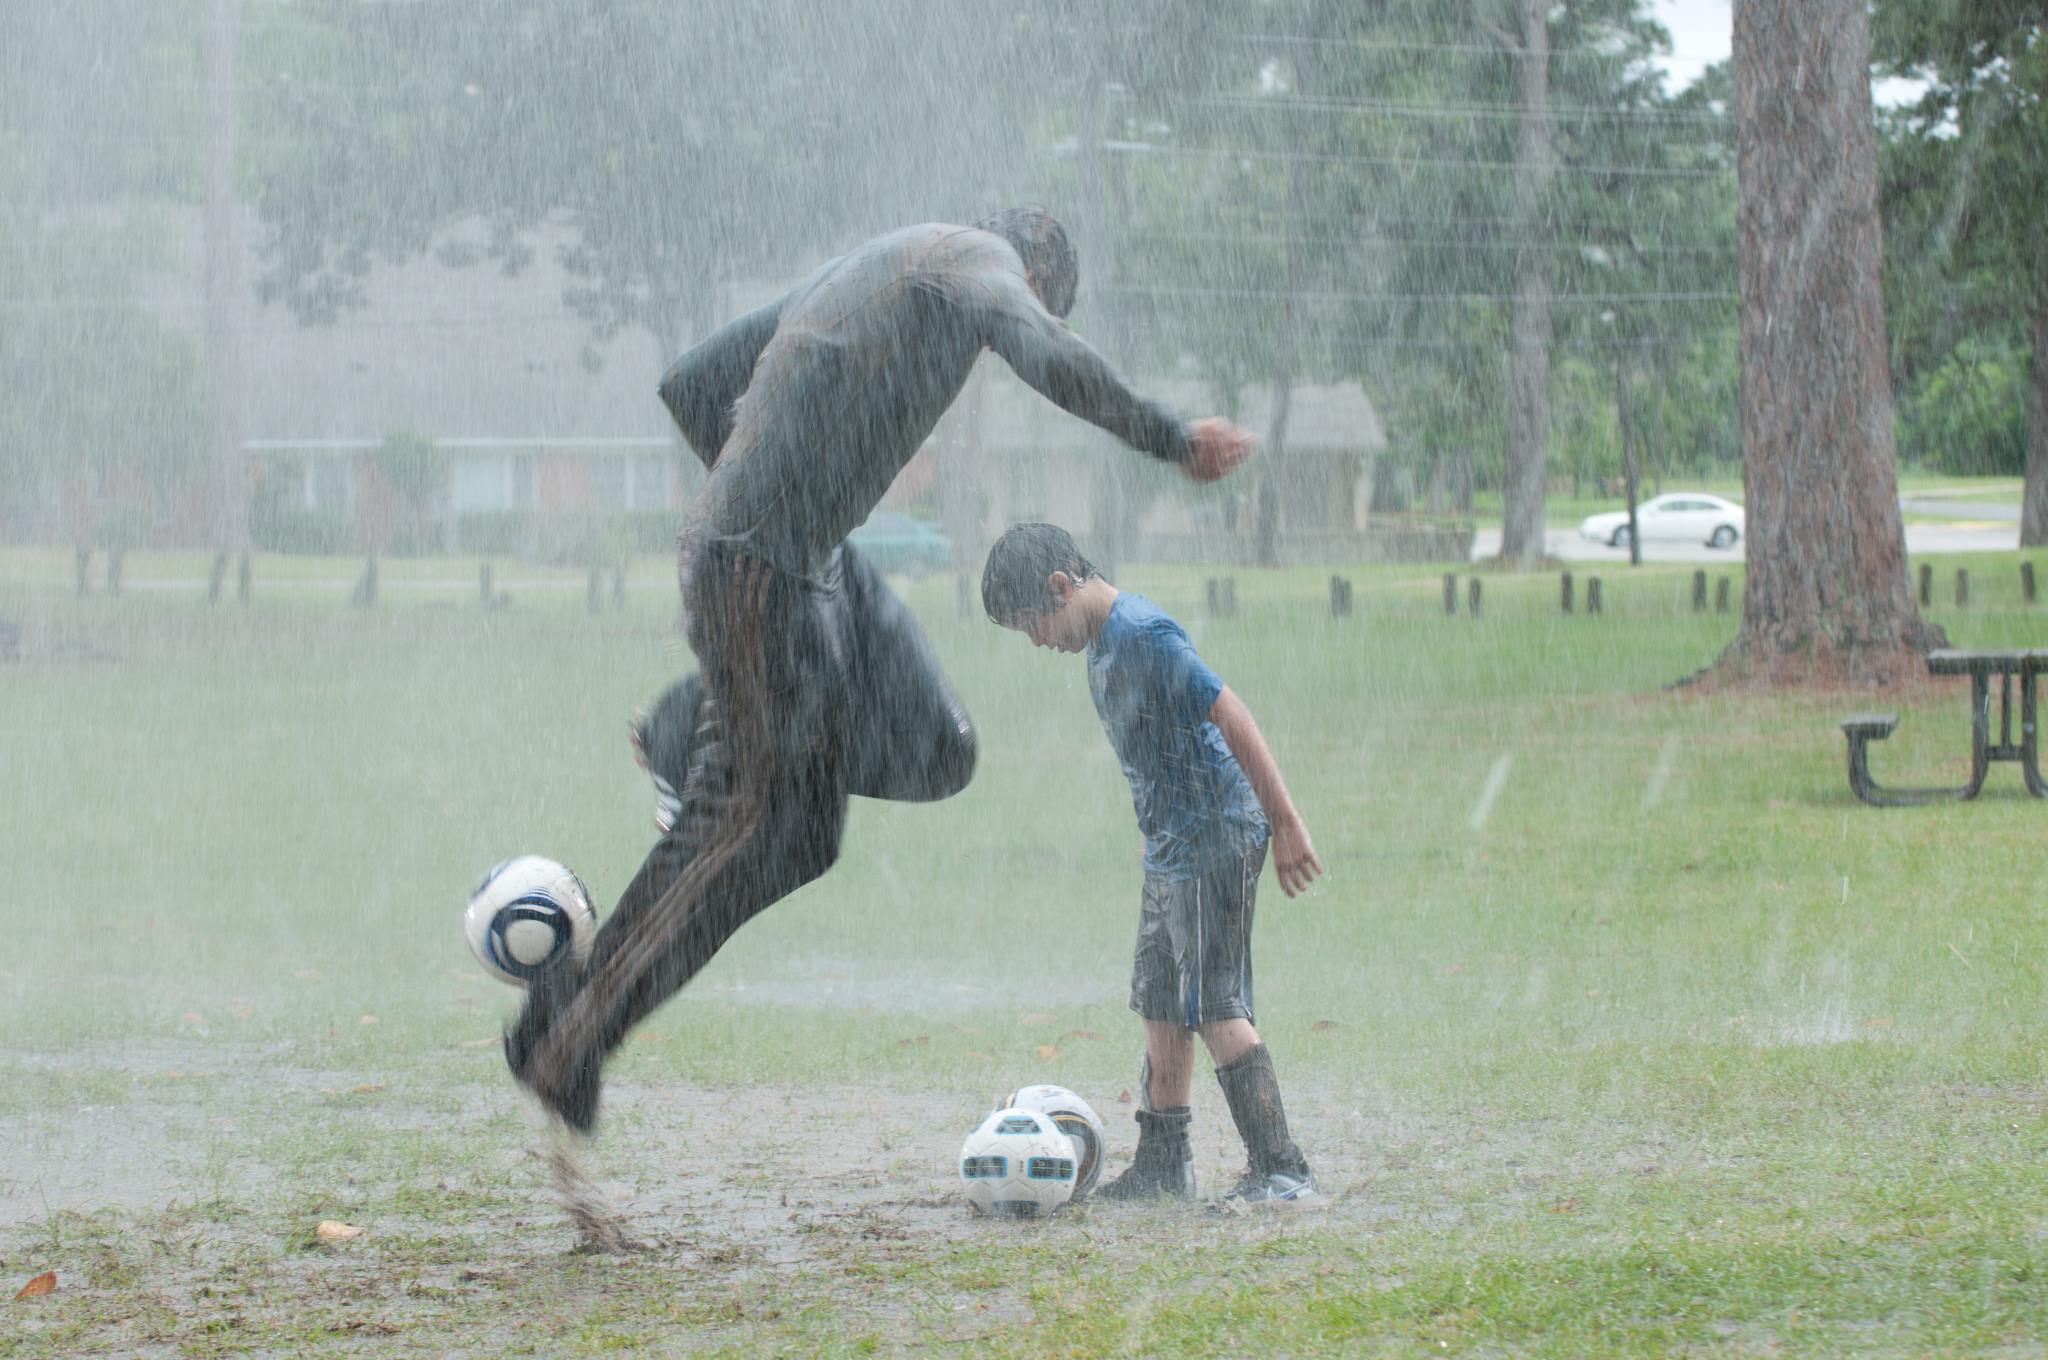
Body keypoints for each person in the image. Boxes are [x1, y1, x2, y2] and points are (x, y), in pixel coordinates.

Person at [504, 210, 1258, 1133]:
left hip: (798, 560)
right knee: (745, 817)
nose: (1010, 330)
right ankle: (566, 1031)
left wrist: (786, 492)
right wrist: (1172, 438)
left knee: (882, 783)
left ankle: (707, 740)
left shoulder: (881, 266)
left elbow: (694, 383)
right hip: (759, 565)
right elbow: (1045, 352)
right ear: (1040, 269)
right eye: (1034, 305)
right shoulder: (976, 263)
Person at [980, 521, 1324, 1206]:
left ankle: (1282, 1168)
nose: (1037, 642)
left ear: (1059, 587)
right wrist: (1151, 836)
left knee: (1212, 1003)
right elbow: (1151, 754)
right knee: (1160, 1002)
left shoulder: (1142, 634)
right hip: (1171, 845)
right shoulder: (1099, 646)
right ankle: (1166, 1164)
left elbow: (1230, 713)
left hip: (1217, 834)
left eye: (1030, 625)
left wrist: (1285, 823)